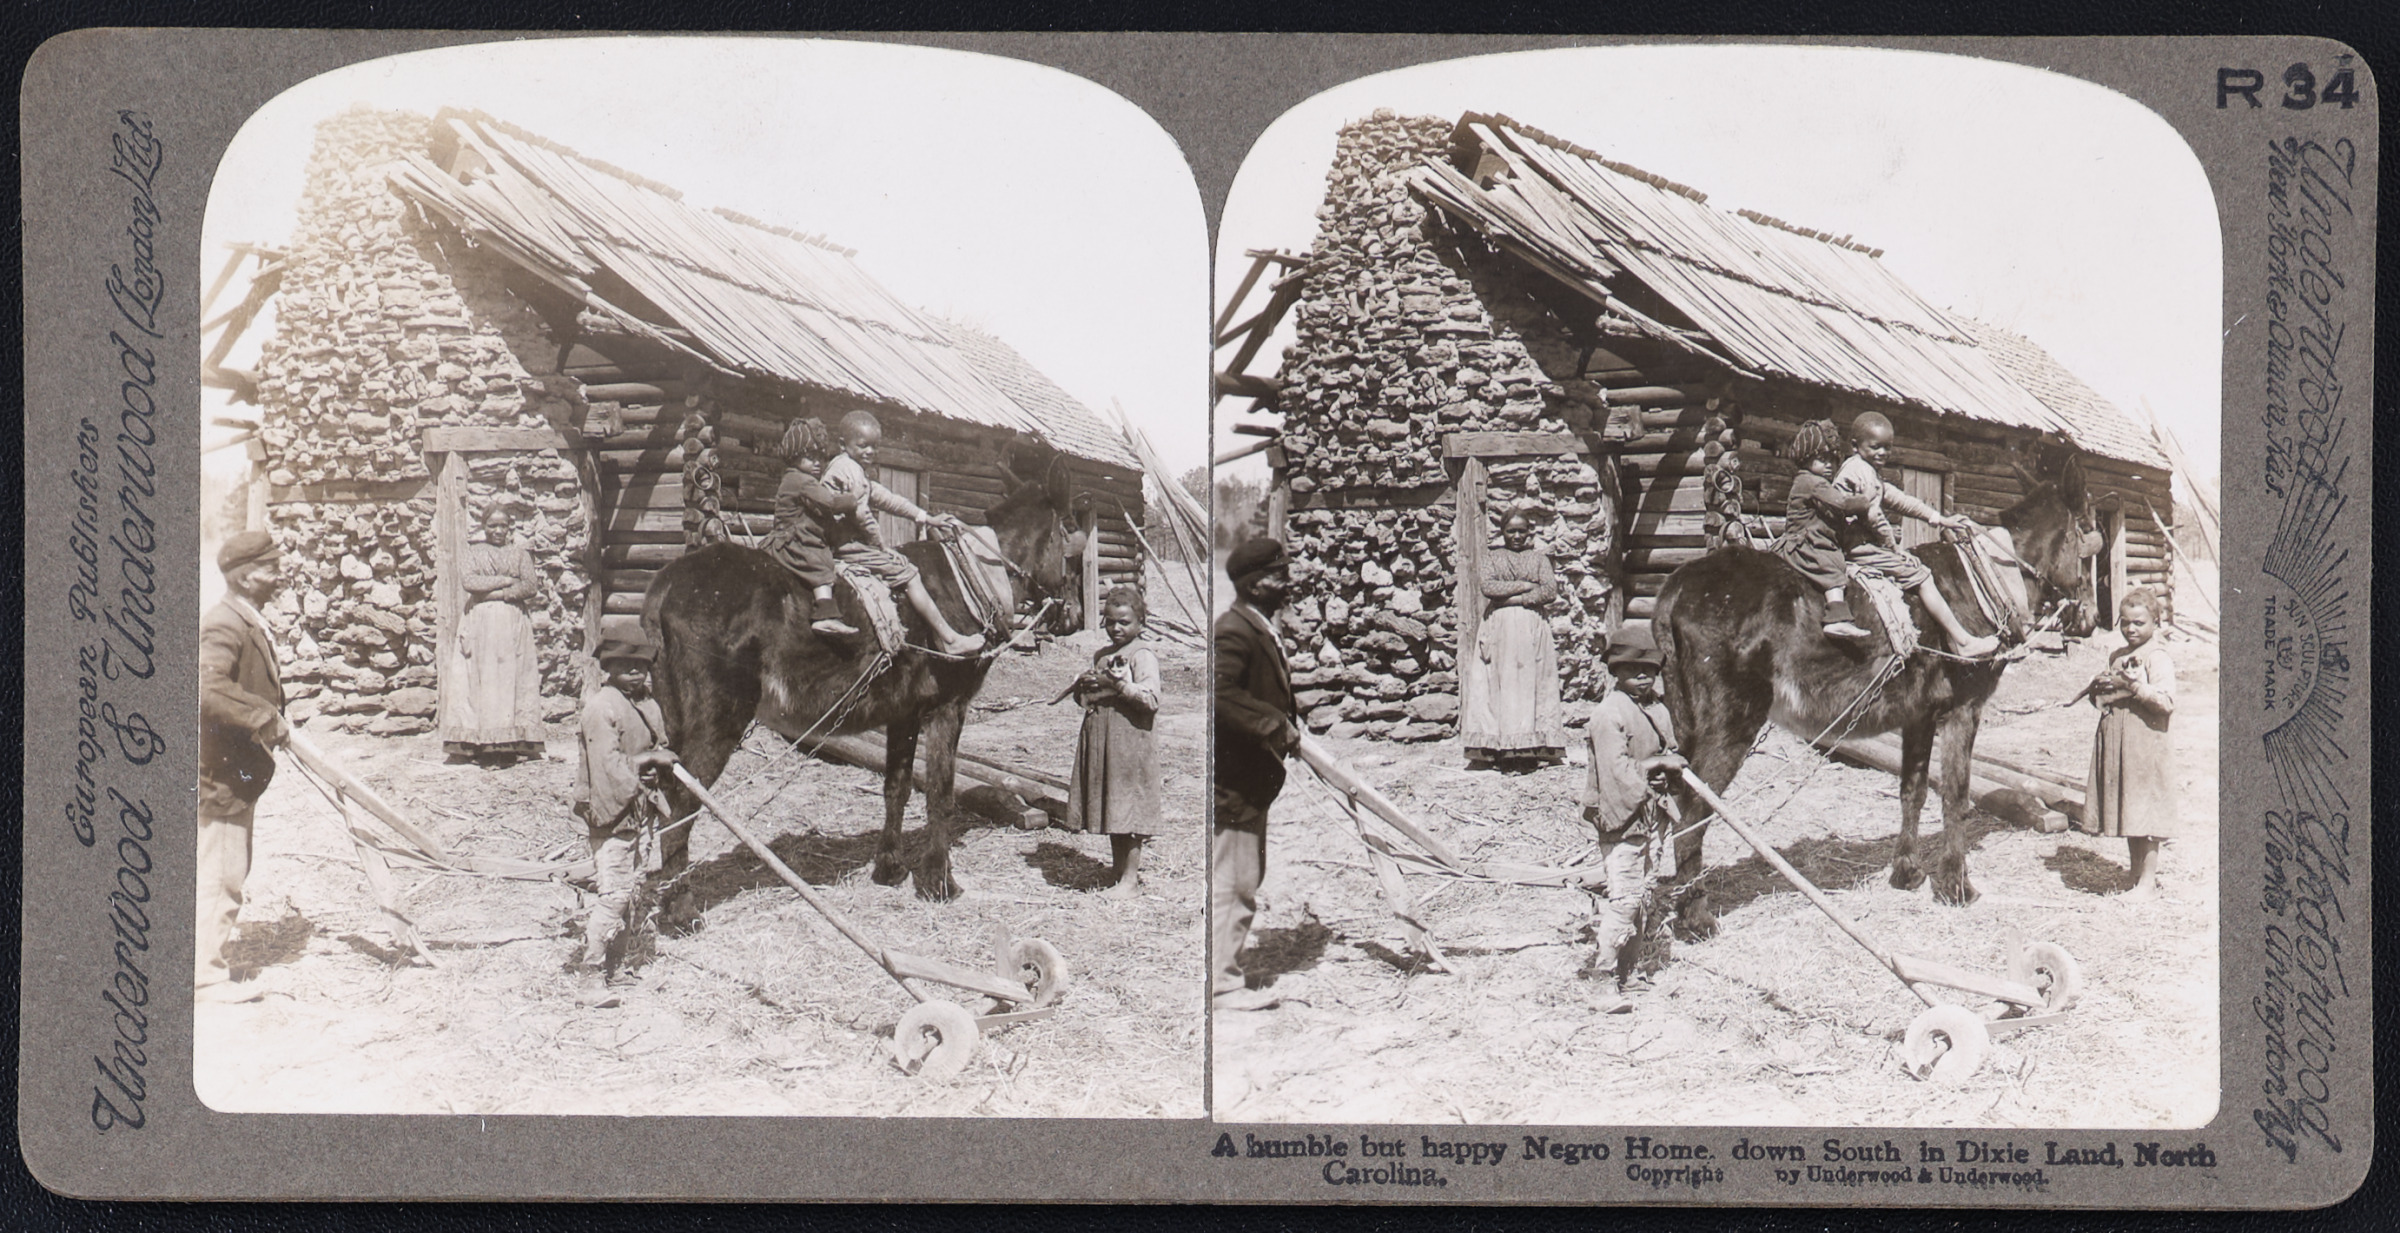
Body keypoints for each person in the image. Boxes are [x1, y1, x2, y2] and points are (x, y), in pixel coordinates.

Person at [197, 530, 290, 1004]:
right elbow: (205, 688)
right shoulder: (224, 624)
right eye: (271, 569)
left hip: (237, 769)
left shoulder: (244, 619)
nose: (279, 576)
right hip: (221, 773)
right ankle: (203, 979)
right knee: (221, 872)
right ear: (245, 576)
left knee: (228, 868)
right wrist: (263, 717)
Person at [1578, 625, 1685, 1014]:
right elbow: (1617, 773)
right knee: (1623, 899)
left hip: (1652, 813)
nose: (1644, 677)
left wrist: (1668, 764)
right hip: (1621, 817)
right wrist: (1657, 763)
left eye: (1650, 670)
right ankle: (1601, 979)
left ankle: (1630, 971)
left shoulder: (1656, 709)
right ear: (1616, 672)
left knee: (1644, 895)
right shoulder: (1608, 715)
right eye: (1634, 670)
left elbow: (1667, 748)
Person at [1212, 537, 1300, 1013]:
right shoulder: (1234, 631)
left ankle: (1223, 970)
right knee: (1235, 879)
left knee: (1246, 874)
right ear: (1253, 583)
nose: (1286, 583)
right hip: (1233, 779)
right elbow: (1219, 693)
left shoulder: (1258, 626)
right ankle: (1221, 984)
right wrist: (1272, 725)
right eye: (1277, 576)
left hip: (1250, 778)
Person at [1833, 411, 2001, 658]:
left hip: (1859, 543)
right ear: (1855, 446)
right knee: (1922, 576)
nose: (1882, 453)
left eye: (1887, 448)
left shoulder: (1866, 470)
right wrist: (1894, 550)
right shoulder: (1861, 471)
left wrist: (1939, 519)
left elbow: (1902, 501)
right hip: (1856, 545)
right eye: (1875, 447)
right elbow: (1874, 518)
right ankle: (1962, 641)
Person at [821, 410, 985, 656]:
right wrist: (880, 546)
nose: (870, 452)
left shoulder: (850, 469)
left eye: (874, 447)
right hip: (847, 545)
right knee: (909, 574)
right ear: (843, 444)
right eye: (863, 445)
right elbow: (861, 515)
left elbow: (889, 500)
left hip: (844, 543)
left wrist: (925, 517)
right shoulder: (850, 470)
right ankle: (949, 639)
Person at [572, 637, 677, 1008]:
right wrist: (647, 762)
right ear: (609, 670)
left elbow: (658, 746)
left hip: (641, 810)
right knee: (614, 895)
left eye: (643, 666)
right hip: (612, 814)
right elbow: (607, 766)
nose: (636, 672)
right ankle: (590, 977)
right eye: (626, 667)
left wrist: (653, 768)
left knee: (632, 890)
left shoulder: (647, 705)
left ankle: (617, 969)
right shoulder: (601, 708)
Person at [1065, 584, 1162, 899]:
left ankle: (1131, 881)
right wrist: (1084, 688)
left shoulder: (1142, 654)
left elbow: (1151, 700)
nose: (1116, 628)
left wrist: (1119, 686)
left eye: (1124, 622)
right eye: (1110, 622)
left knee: (1130, 808)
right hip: (1105, 743)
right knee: (1113, 805)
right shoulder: (1102, 655)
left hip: (1130, 744)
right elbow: (1088, 700)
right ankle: (1117, 871)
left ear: (1140, 623)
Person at [2082, 589, 2177, 899]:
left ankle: (2148, 883)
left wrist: (2134, 686)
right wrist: (2099, 691)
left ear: (2155, 621)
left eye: (2139, 623)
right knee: (2129, 809)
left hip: (2145, 746)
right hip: (2120, 747)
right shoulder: (2117, 656)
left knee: (2147, 813)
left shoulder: (2157, 656)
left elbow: (2166, 702)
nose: (2131, 629)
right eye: (2125, 623)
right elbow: (2104, 700)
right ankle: (2135, 874)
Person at [439, 507, 547, 762]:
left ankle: (510, 743)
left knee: (511, 675)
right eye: (492, 526)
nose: (498, 531)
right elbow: (470, 583)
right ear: (483, 526)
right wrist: (507, 581)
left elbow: (530, 586)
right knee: (483, 676)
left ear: (510, 527)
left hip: (512, 623)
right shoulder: (473, 553)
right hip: (480, 623)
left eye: (503, 526)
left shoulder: (520, 554)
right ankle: (479, 743)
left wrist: (497, 592)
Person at [1460, 512, 1565, 767]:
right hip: (1500, 628)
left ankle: (1531, 749)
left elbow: (1550, 591)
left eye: (1521, 531)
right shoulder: (1492, 558)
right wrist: (1528, 586)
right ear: (1502, 532)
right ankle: (1499, 749)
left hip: (1532, 628)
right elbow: (1489, 588)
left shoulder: (1539, 559)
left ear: (1529, 532)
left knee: (1532, 681)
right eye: (1510, 531)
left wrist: (1514, 596)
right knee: (1501, 682)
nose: (1516, 536)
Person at [1777, 419, 1874, 639]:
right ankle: (1837, 618)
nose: (1829, 464)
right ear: (1806, 458)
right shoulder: (1812, 482)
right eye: (1822, 459)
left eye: (1832, 459)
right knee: (1830, 566)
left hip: (1808, 538)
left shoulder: (1812, 481)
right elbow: (1840, 503)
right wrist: (1864, 501)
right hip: (1805, 543)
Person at [761, 416, 858, 637]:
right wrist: (851, 500)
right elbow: (829, 502)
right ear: (794, 458)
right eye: (810, 458)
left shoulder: (795, 478)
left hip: (792, 534)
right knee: (818, 563)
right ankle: (825, 614)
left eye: (820, 458)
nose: (817, 463)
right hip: (792, 540)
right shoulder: (801, 480)